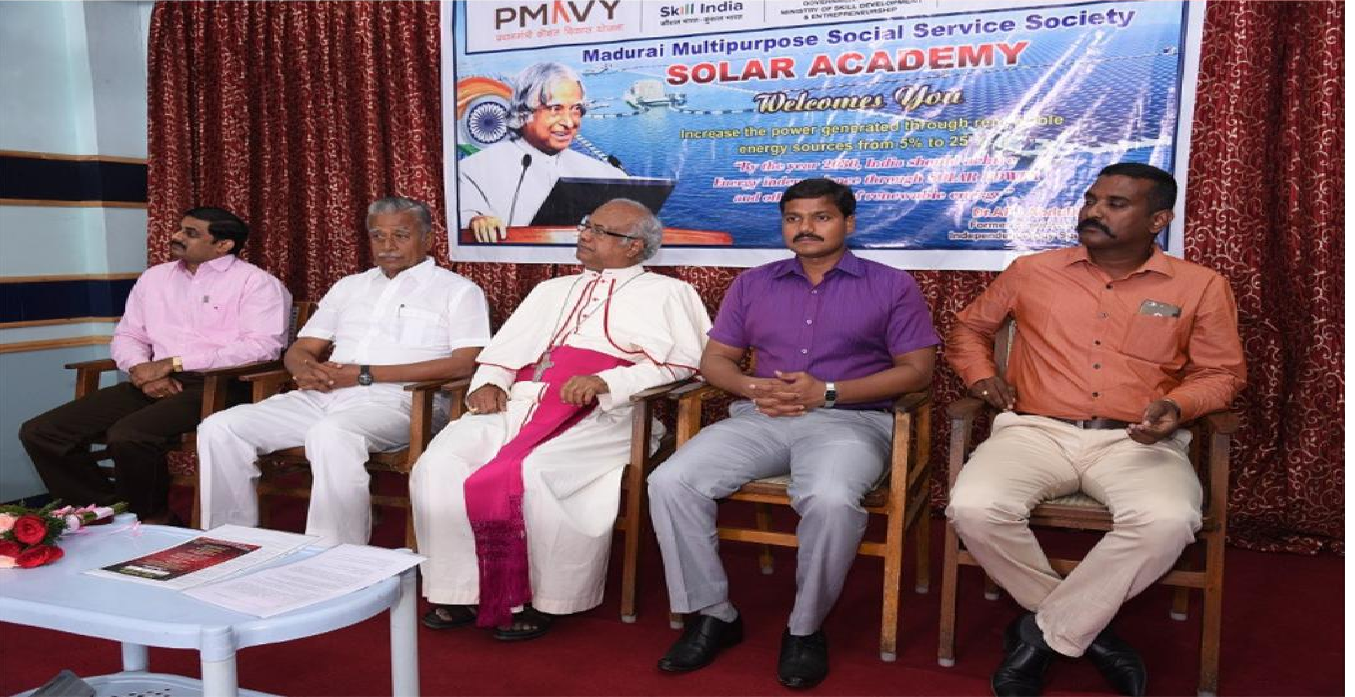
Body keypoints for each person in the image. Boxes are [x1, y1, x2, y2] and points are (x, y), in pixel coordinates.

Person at [944, 163, 1246, 697]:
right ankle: (1090, 632)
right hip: (1035, 431)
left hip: (1136, 440)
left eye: (1115, 204)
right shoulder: (1032, 270)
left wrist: (1177, 406)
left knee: (1169, 521)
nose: (1093, 212)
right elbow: (968, 329)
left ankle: (1040, 633)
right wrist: (980, 375)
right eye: (1091, 200)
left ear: (1158, 219)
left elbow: (1221, 374)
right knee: (973, 507)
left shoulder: (1200, 285)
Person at [647, 178, 940, 689]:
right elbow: (715, 361)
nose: (805, 228)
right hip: (762, 416)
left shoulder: (892, 285)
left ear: (848, 223)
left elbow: (918, 372)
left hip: (851, 420)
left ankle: (805, 627)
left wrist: (828, 393)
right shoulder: (753, 284)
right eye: (793, 218)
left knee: (830, 498)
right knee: (671, 481)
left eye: (820, 217)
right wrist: (750, 385)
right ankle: (713, 613)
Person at [411, 198, 710, 641]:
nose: (584, 235)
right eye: (587, 225)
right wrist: (489, 382)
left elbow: (683, 365)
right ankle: (461, 589)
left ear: (634, 246)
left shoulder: (669, 293)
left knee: (534, 471)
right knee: (439, 464)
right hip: (518, 404)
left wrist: (608, 380)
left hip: (606, 414)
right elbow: (502, 355)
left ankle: (541, 596)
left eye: (600, 231)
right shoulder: (550, 290)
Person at [196, 197, 491, 546]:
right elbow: (302, 348)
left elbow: (465, 362)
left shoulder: (458, 291)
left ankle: (334, 554)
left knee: (331, 434)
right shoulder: (350, 286)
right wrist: (305, 369)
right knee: (220, 427)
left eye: (400, 235)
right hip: (324, 394)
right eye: (378, 236)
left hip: (402, 403)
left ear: (427, 239)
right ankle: (229, 543)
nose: (388, 245)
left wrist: (364, 374)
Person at [20, 207, 290, 524]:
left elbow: (262, 348)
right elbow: (129, 335)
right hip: (150, 381)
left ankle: (152, 519)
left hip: (220, 385)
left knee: (129, 435)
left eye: (191, 233)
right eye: (180, 228)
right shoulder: (155, 278)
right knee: (42, 432)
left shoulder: (256, 283)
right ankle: (108, 513)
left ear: (223, 245)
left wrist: (173, 363)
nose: (176, 236)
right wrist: (141, 370)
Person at [458, 61, 627, 242]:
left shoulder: (605, 174)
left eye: (576, 109)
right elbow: (461, 220)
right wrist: (475, 221)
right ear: (523, 113)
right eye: (555, 109)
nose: (569, 123)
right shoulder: (471, 171)